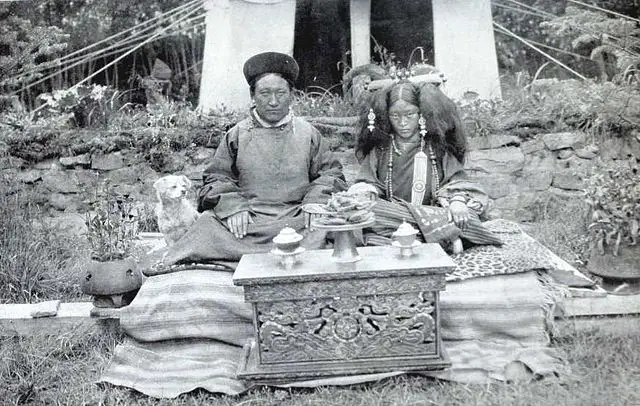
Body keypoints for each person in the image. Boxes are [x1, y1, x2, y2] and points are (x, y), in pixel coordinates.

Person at [153, 52, 346, 270]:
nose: (273, 101)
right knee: (206, 225)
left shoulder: (308, 133)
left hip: (297, 217)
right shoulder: (237, 134)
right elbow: (216, 177)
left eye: (281, 93)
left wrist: (315, 200)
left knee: (338, 223)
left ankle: (249, 257)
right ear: (253, 95)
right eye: (264, 93)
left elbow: (331, 174)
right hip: (250, 220)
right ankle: (291, 253)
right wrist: (233, 206)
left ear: (292, 94)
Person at [353, 80, 501, 250]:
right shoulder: (380, 150)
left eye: (409, 115)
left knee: (467, 218)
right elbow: (367, 182)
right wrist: (365, 192)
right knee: (366, 212)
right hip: (395, 216)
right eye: (395, 116)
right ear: (387, 117)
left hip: (434, 212)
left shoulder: (436, 148)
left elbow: (457, 182)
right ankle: (441, 237)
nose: (402, 122)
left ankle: (424, 237)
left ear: (421, 115)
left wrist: (457, 201)